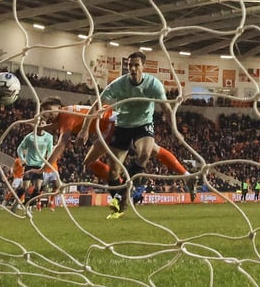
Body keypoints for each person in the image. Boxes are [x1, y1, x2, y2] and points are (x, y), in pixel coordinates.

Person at [80, 51, 196, 219]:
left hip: (143, 125)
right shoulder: (118, 85)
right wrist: (84, 129)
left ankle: (125, 191)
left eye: (136, 65)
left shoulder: (154, 84)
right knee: (113, 172)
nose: (132, 68)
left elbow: (166, 109)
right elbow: (97, 105)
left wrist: (175, 129)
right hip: (122, 126)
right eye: (130, 65)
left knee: (145, 153)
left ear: (143, 66)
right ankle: (120, 203)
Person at [16, 124, 54, 211]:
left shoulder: (49, 137)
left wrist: (47, 161)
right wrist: (22, 159)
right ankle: (16, 201)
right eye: (39, 123)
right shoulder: (29, 137)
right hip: (29, 164)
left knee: (38, 188)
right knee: (25, 186)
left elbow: (50, 151)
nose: (41, 125)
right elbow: (19, 149)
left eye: (43, 123)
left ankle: (28, 204)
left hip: (40, 166)